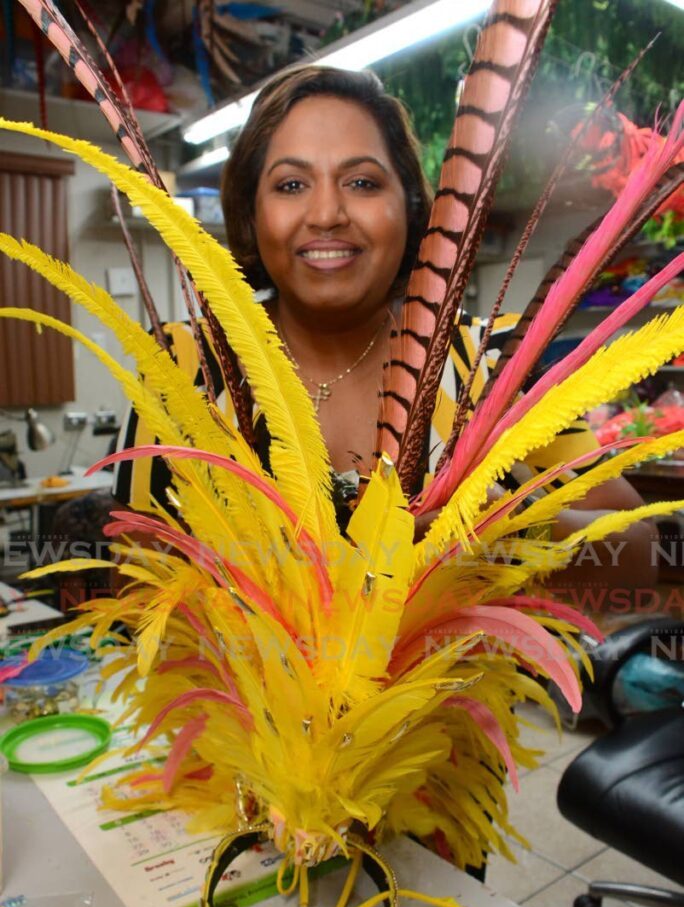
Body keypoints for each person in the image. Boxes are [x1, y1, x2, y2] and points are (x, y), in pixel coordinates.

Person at [112, 65, 656, 598]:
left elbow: (640, 554)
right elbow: (131, 590)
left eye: (362, 182)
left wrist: (512, 535)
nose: (326, 213)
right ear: (252, 214)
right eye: (292, 184)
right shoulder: (183, 368)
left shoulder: (495, 359)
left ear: (411, 209)